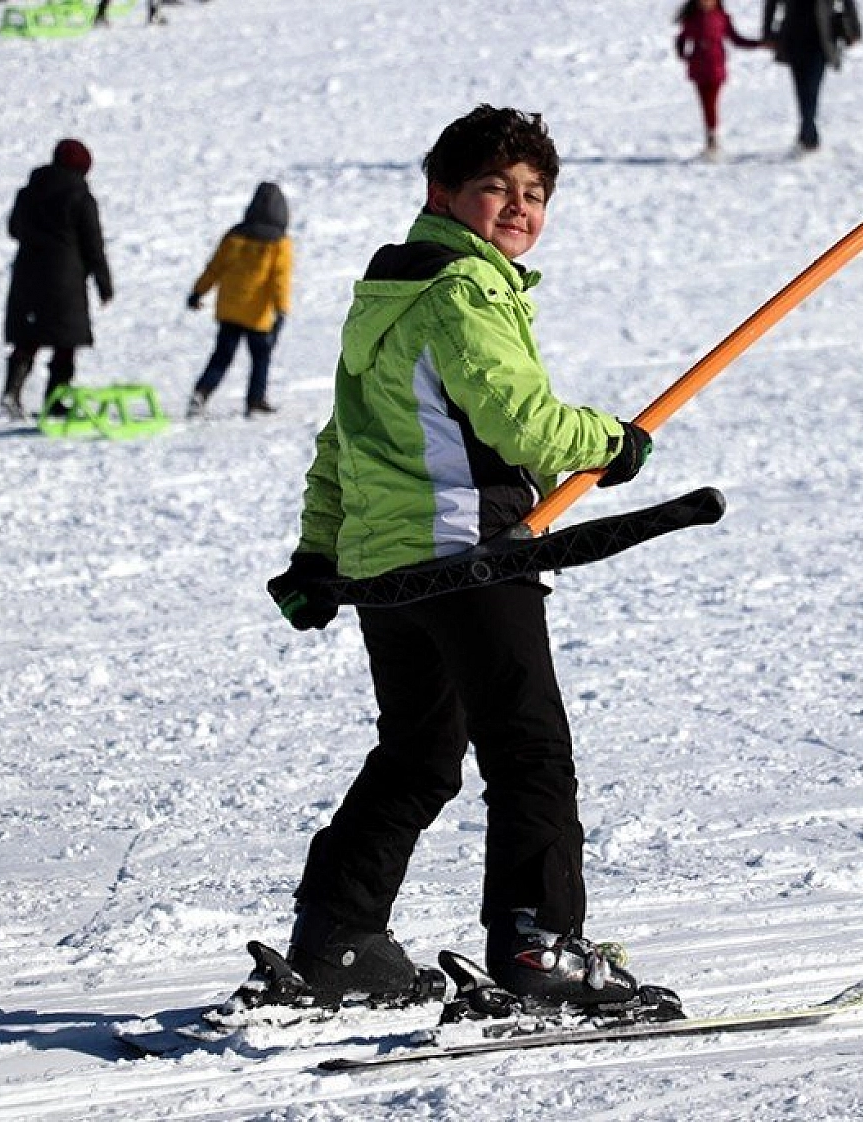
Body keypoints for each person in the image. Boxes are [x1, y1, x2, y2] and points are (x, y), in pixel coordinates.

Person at [229, 106, 657, 1017]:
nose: (518, 207)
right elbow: (523, 422)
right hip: (469, 556)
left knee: (420, 754)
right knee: (528, 748)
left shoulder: (386, 291)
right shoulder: (464, 290)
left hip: (390, 573)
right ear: (443, 193)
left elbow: (343, 443)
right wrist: (611, 441)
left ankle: (340, 937)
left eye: (534, 193)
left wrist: (319, 550)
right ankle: (539, 945)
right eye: (496, 187)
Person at [1, 138, 112, 420]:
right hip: (65, 279)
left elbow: (14, 229)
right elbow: (92, 243)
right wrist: (103, 282)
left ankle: (11, 392)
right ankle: (56, 401)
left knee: (29, 336)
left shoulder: (29, 191)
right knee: (65, 342)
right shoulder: (80, 196)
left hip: (28, 273)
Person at [185, 182, 293, 419]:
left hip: (230, 309)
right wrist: (281, 310)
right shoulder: (279, 244)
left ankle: (201, 393)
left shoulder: (234, 235)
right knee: (261, 357)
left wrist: (198, 292)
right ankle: (255, 400)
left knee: (222, 355)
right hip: (258, 314)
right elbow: (280, 279)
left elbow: (214, 268)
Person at [761, 0, 862, 153]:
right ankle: (807, 132)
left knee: (811, 88)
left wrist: (854, 30)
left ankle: (809, 134)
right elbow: (771, 3)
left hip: (821, 39)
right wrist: (767, 33)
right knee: (802, 89)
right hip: (793, 37)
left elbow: (848, 2)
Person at [675, 0, 761, 159]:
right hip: (698, 67)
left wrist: (758, 43)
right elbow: (682, 38)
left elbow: (736, 39)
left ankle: (712, 139)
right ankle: (711, 138)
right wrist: (683, 54)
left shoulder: (722, 17)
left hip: (716, 67)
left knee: (711, 102)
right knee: (705, 103)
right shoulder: (692, 18)